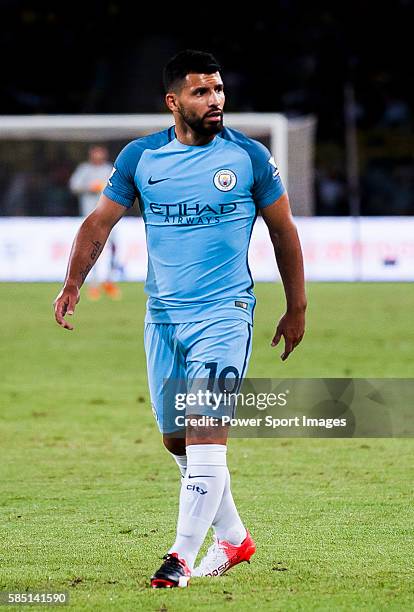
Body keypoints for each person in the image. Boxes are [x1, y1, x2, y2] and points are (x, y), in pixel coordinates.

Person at [53, 50, 307, 589]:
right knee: (176, 441)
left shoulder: (250, 157)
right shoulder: (142, 158)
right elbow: (99, 223)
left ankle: (179, 558)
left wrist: (296, 306)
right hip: (163, 316)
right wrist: (74, 281)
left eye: (218, 90)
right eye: (201, 92)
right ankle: (235, 539)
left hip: (225, 313)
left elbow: (284, 231)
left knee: (205, 433)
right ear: (174, 101)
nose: (214, 100)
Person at [69, 145, 122, 300]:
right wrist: (89, 187)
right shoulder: (84, 169)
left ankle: (110, 280)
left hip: (110, 215)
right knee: (90, 250)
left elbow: (120, 185)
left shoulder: (109, 169)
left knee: (113, 248)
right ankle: (93, 284)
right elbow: (74, 185)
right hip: (90, 217)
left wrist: (105, 188)